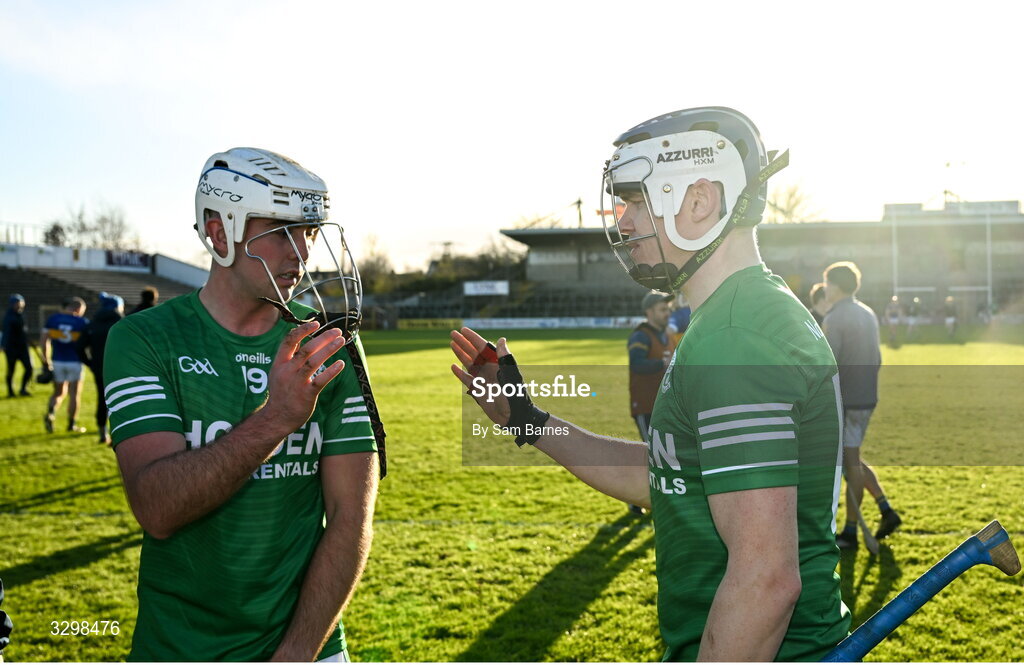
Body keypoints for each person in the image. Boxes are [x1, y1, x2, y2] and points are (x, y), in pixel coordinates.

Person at [451, 107, 848, 660]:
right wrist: (526, 419)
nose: (624, 218)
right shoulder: (738, 314)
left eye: (637, 198)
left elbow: (766, 581)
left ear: (700, 200)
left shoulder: (735, 336)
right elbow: (668, 478)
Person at [103, 147, 382, 661]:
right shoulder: (143, 340)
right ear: (218, 232)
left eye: (309, 232)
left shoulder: (328, 341)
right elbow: (157, 508)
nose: (301, 252)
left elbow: (350, 517)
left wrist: (297, 654)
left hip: (310, 649)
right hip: (179, 650)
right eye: (280, 231)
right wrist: (277, 418)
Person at [821, 261, 902, 550]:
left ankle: (851, 531)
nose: (825, 288)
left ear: (837, 285)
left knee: (850, 462)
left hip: (847, 398)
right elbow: (877, 358)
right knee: (851, 459)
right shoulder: (867, 313)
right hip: (866, 396)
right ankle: (885, 509)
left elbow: (827, 362)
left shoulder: (836, 317)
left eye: (828, 282)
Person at [626, 290, 674, 515]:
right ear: (649, 311)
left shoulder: (668, 335)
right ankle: (636, 498)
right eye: (662, 309)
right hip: (646, 405)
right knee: (651, 454)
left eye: (668, 309)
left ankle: (651, 498)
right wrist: (661, 365)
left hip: (666, 405)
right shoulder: (641, 336)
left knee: (663, 455)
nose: (668, 313)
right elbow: (637, 364)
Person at [77, 292, 124, 444]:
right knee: (122, 401)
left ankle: (102, 433)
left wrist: (90, 363)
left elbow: (79, 347)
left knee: (101, 399)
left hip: (99, 368)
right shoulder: (123, 323)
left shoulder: (92, 324)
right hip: (121, 369)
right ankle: (121, 435)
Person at [40, 297, 89, 433]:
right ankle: (71, 424)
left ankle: (51, 413)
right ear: (78, 309)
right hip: (75, 361)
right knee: (74, 394)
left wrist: (46, 361)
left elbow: (44, 342)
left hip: (57, 361)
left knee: (58, 393)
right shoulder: (82, 322)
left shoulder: (53, 319)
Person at [2, 294, 32, 398]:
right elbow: (6, 332)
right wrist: (3, 345)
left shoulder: (22, 314)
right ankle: (10, 392)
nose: (19, 305)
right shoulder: (9, 316)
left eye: (20, 302)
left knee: (29, 368)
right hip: (12, 348)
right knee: (11, 370)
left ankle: (23, 389)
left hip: (23, 347)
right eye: (17, 303)